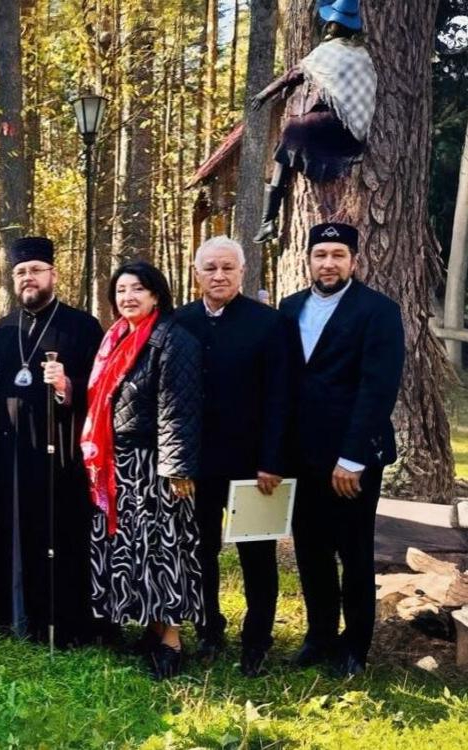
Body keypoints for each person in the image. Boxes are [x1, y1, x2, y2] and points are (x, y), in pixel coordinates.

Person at [280, 222, 404, 677]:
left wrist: (351, 459)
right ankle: (319, 636)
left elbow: (378, 389)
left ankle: (355, 647)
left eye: (337, 255)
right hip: (302, 455)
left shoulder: (378, 311)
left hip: (352, 459)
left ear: (354, 260)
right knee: (311, 550)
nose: (328, 263)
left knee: (353, 553)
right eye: (320, 255)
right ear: (309, 260)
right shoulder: (289, 307)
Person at [175, 237, 291, 676]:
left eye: (227, 268)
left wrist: (273, 460)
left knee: (256, 554)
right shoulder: (180, 322)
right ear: (196, 274)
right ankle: (208, 629)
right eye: (210, 268)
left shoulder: (269, 323)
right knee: (199, 550)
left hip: (253, 465)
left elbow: (281, 397)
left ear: (242, 272)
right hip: (198, 466)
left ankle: (257, 640)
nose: (219, 276)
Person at [0, 236, 104, 648]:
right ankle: (12, 618)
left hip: (61, 452)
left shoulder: (82, 327)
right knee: (12, 533)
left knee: (62, 534)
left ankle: (65, 623)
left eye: (35, 270)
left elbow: (102, 389)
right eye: (20, 272)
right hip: (12, 454)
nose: (27, 278)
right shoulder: (1, 330)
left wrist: (68, 387)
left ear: (53, 274)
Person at [83, 260, 204, 679]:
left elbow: (179, 408)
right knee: (131, 550)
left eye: (137, 289)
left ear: (156, 294)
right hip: (120, 462)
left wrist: (176, 468)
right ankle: (151, 628)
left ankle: (171, 640)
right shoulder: (116, 338)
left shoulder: (172, 338)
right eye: (121, 290)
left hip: (157, 466)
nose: (128, 297)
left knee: (162, 550)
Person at [249, 4, 376, 243]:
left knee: (283, 156)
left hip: (308, 128)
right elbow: (364, 98)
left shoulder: (324, 52)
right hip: (345, 134)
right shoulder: (363, 57)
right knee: (299, 140)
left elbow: (293, 75)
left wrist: (264, 94)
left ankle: (268, 222)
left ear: (331, 26)